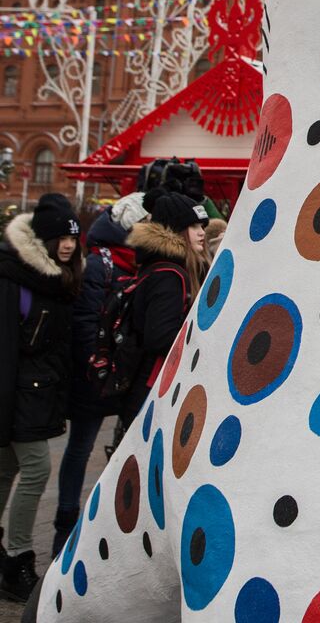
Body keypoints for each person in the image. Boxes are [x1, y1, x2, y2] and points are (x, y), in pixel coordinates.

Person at [51, 192, 145, 556]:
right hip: (94, 376)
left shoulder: (130, 261)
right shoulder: (101, 263)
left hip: (118, 373)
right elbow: (86, 321)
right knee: (80, 448)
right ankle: (65, 523)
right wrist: (98, 367)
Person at [0, 194, 82, 601]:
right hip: (18, 395)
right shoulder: (17, 278)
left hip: (36, 393)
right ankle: (17, 559)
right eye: (59, 238)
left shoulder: (56, 278)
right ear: (42, 240)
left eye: (73, 238)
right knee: (35, 471)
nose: (68, 245)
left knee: (6, 470)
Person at [120, 188, 208, 427]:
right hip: (154, 387)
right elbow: (160, 337)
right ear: (176, 230)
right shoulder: (170, 274)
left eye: (202, 226)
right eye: (194, 226)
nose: (201, 233)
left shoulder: (159, 266)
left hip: (151, 384)